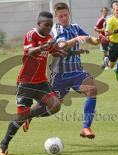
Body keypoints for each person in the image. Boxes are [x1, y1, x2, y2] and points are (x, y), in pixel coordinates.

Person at [23, 2, 101, 139]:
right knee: (49, 106)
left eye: (65, 15)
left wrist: (100, 39)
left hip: (77, 72)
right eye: (60, 16)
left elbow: (91, 40)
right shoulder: (55, 30)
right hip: (60, 75)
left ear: (69, 14)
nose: (64, 18)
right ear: (56, 17)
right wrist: (76, 39)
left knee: (92, 89)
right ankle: (29, 115)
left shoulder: (76, 28)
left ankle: (86, 127)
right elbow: (61, 46)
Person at [0, 11, 65, 155]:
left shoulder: (49, 38)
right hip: (26, 83)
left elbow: (55, 51)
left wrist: (72, 51)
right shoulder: (31, 35)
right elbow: (30, 52)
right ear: (38, 24)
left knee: (56, 105)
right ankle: (4, 143)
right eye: (46, 25)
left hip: (41, 82)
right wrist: (44, 46)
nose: (48, 28)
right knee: (20, 118)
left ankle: (29, 116)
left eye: (51, 25)